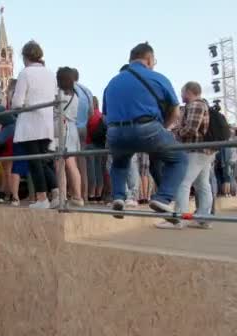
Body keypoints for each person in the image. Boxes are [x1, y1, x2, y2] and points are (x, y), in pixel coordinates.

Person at [103, 42, 186, 218]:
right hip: (147, 128)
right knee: (179, 158)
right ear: (149, 59)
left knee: (119, 163)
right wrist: (162, 129)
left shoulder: (112, 82)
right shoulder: (157, 77)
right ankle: (163, 198)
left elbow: (105, 115)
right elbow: (175, 111)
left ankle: (118, 197)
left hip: (115, 132)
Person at [156, 82, 216, 229]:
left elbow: (191, 130)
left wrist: (174, 133)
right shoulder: (203, 105)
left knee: (183, 182)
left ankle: (179, 219)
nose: (181, 95)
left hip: (195, 150)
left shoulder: (195, 105)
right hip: (205, 151)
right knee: (202, 185)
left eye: (182, 92)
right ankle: (203, 218)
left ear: (189, 92)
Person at [10, 40, 58, 209]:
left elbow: (17, 102)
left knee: (34, 162)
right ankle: (55, 192)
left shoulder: (25, 73)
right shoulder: (50, 73)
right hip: (46, 123)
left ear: (25, 57)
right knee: (43, 161)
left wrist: (22, 105)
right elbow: (54, 97)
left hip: (30, 124)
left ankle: (42, 198)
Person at [55, 67, 84, 207]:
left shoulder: (59, 96)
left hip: (62, 130)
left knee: (59, 164)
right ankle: (78, 196)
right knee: (72, 165)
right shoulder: (76, 96)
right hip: (72, 129)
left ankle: (62, 196)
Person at [72, 68, 94, 204]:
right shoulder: (87, 91)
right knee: (82, 163)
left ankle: (74, 194)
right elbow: (91, 112)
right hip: (83, 128)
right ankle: (85, 195)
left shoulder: (67, 89)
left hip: (71, 127)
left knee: (69, 162)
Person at [85, 96, 105, 202]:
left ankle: (91, 195)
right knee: (99, 170)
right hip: (101, 146)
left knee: (91, 169)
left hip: (90, 145)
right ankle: (99, 195)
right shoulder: (101, 115)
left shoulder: (90, 116)